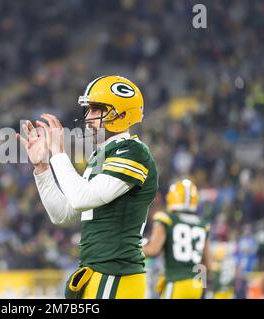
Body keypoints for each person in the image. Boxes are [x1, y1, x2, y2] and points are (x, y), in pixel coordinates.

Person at [18, 75, 158, 299]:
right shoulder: (101, 156)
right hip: (98, 273)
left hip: (115, 275)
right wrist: (42, 167)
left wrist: (59, 153)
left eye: (96, 109)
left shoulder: (132, 151)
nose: (89, 117)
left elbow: (81, 199)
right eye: (89, 110)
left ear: (121, 113)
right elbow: (63, 214)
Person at [143, 179, 211, 299]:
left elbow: (153, 250)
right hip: (196, 286)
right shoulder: (202, 224)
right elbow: (208, 265)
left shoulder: (167, 219)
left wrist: (133, 250)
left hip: (176, 282)